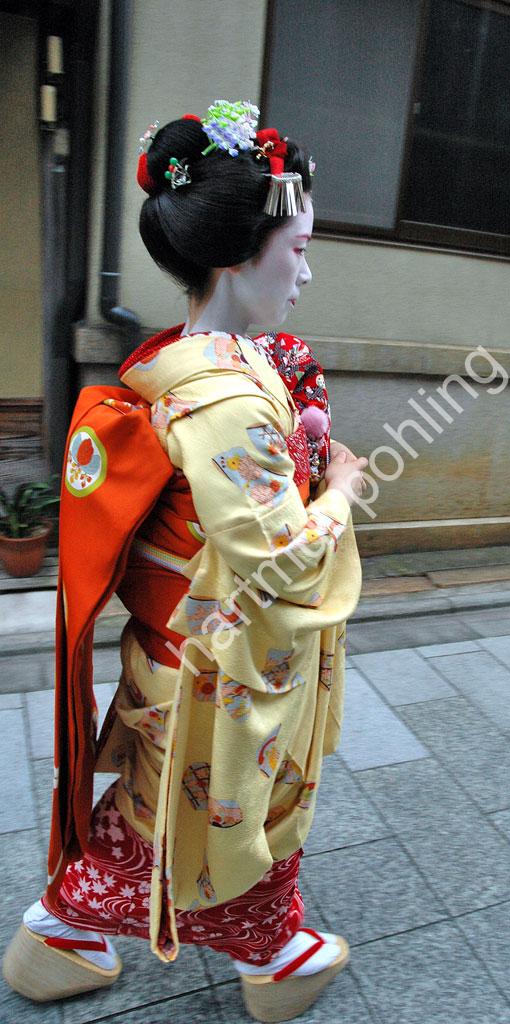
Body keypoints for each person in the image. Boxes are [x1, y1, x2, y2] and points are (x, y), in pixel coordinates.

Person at [3, 100, 367, 1023]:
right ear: (239, 255)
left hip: (197, 645)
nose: (307, 272)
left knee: (174, 807)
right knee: (220, 808)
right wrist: (342, 491)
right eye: (298, 249)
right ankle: (263, 950)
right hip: (221, 659)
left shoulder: (199, 359)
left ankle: (71, 933)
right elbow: (280, 560)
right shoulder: (228, 396)